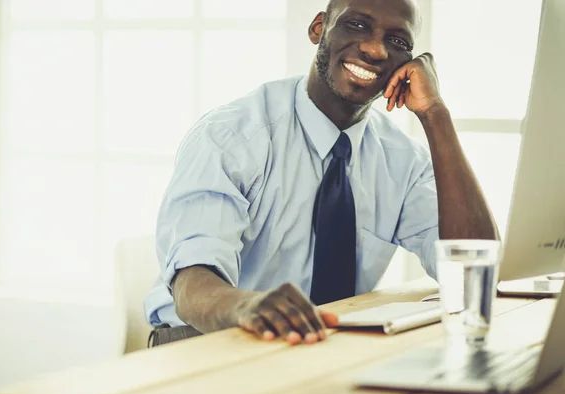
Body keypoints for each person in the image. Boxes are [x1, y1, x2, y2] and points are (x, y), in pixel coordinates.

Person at [144, 0, 498, 347]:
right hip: (202, 340)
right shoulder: (234, 136)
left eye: (397, 41)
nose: (375, 49)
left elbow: (474, 276)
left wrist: (435, 115)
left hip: (316, 344)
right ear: (318, 29)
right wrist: (248, 305)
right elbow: (191, 285)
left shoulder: (402, 160)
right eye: (356, 24)